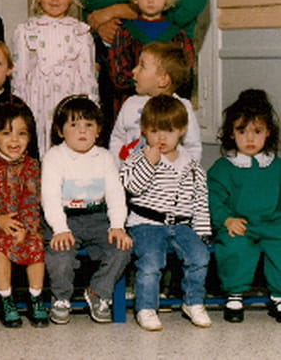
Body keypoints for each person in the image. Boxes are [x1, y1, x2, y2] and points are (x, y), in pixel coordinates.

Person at [120, 95, 211, 331]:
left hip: (181, 225)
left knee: (200, 257)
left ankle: (193, 302)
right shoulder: (137, 158)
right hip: (146, 223)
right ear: (144, 130)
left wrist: (202, 232)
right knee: (151, 261)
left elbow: (200, 201)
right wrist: (148, 164)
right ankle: (146, 307)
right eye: (154, 131)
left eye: (169, 131)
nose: (161, 137)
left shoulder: (191, 165)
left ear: (181, 130)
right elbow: (130, 187)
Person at [41, 96, 131, 325]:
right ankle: (61, 297)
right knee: (60, 254)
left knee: (122, 248)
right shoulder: (54, 157)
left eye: (89, 125)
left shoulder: (105, 157)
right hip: (64, 218)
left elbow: (115, 194)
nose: (82, 131)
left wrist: (117, 226)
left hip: (97, 218)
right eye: (74, 125)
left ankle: (98, 292)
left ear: (98, 130)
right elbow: (50, 197)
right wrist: (60, 229)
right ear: (60, 131)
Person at [208, 89, 281, 324]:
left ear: (268, 132)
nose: (250, 139)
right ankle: (235, 294)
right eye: (242, 131)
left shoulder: (276, 166)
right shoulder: (223, 168)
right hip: (239, 223)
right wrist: (226, 219)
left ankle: (279, 295)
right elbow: (213, 199)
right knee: (234, 247)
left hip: (272, 224)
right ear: (232, 133)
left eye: (257, 132)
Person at [12, 0, 98, 156]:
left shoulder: (80, 32)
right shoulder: (26, 31)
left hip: (70, 98)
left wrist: (92, 107)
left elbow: (88, 75)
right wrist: (19, 109)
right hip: (37, 99)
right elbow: (20, 75)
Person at [0, 103, 48, 328]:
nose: (14, 140)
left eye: (21, 134)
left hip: (25, 225)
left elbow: (32, 200)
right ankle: (6, 299)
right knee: (1, 248)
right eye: (6, 133)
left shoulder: (32, 166)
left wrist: (25, 229)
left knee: (36, 245)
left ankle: (36, 297)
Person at [108, 0, 194, 110]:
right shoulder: (124, 33)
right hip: (131, 103)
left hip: (168, 106)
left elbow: (185, 75)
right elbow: (118, 76)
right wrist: (145, 84)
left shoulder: (179, 36)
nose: (150, 0)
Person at [109, 41, 200, 165]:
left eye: (142, 66)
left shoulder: (183, 107)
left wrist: (185, 172)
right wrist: (118, 166)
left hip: (168, 175)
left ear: (163, 80)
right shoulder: (130, 104)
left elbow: (193, 147)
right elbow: (117, 139)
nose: (134, 70)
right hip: (133, 172)